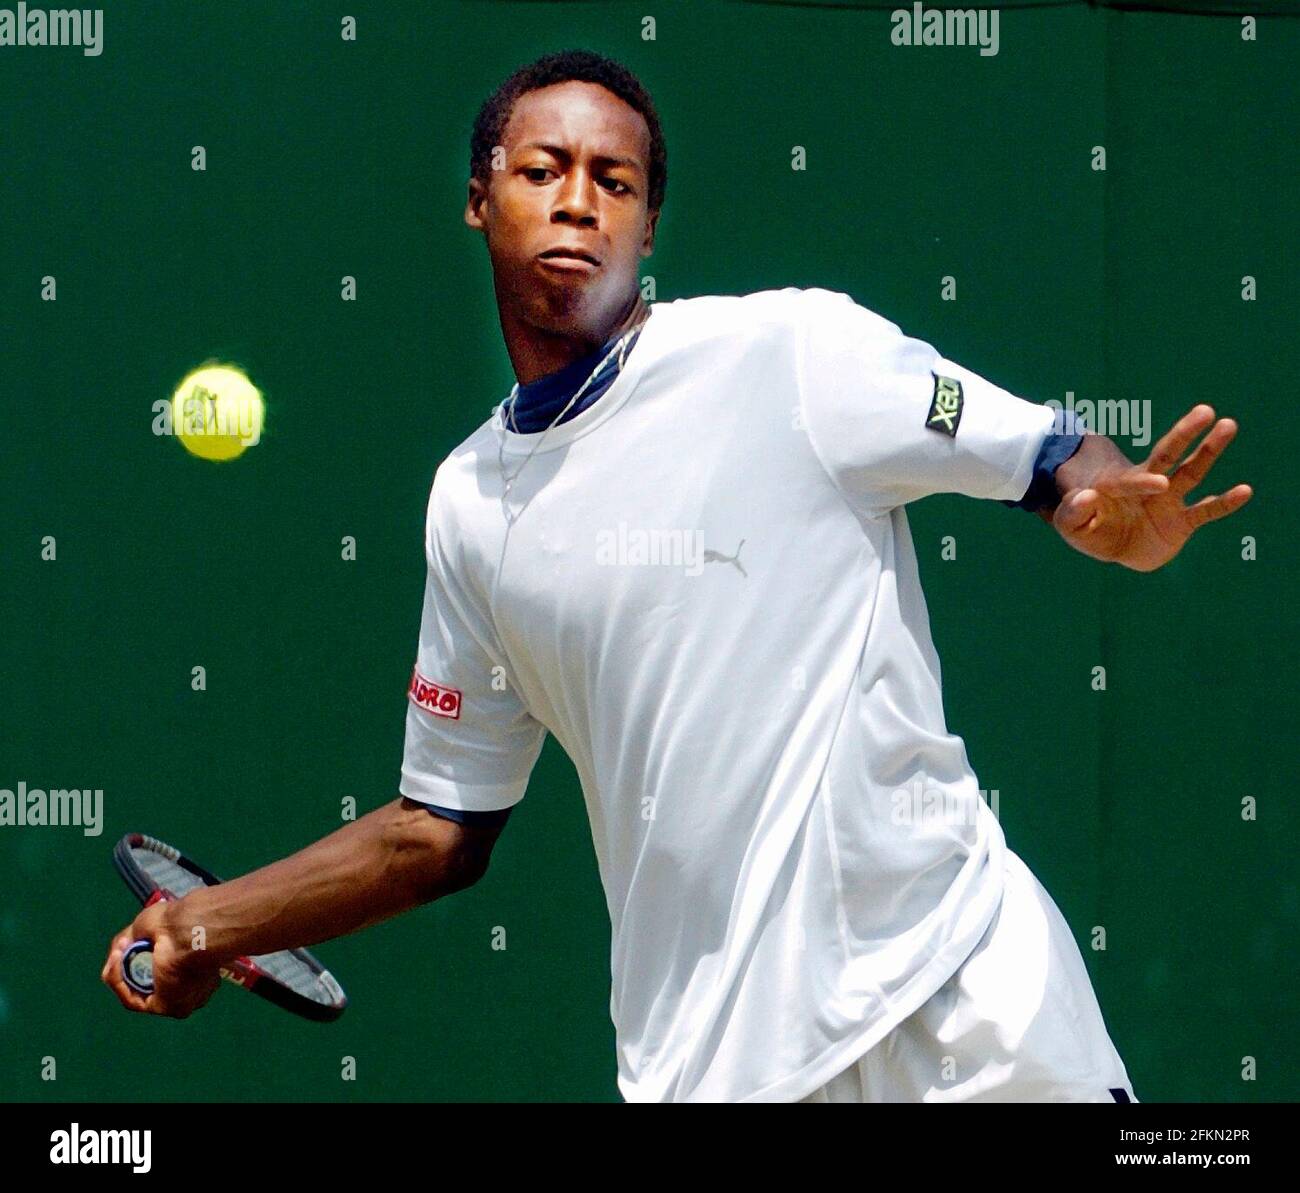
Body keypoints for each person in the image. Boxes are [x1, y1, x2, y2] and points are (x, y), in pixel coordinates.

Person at [102, 49, 1252, 1103]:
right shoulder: (468, 502)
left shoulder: (795, 353)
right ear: (478, 199)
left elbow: (1046, 454)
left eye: (616, 181)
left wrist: (1099, 506)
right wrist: (208, 922)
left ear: (648, 227)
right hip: (716, 1068)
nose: (577, 200)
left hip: (964, 995)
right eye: (542, 168)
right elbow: (437, 828)